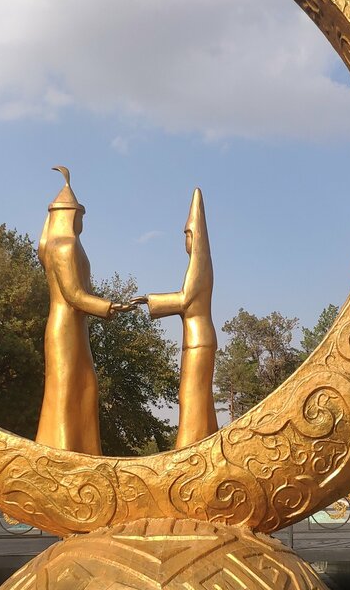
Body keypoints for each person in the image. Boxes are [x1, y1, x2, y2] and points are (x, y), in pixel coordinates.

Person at [35, 167, 136, 453]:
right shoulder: (64, 247)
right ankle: (64, 454)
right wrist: (108, 306)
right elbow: (74, 295)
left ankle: (83, 452)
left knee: (83, 387)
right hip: (66, 328)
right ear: (70, 215)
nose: (81, 220)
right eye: (79, 214)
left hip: (73, 328)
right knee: (69, 390)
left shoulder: (57, 246)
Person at [132, 188, 219, 449]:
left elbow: (185, 300)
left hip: (198, 341)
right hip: (197, 340)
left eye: (186, 235)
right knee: (200, 397)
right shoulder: (199, 264)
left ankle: (188, 450)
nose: (185, 240)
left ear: (193, 236)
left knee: (191, 395)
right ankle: (207, 446)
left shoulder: (199, 264)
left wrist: (150, 300)